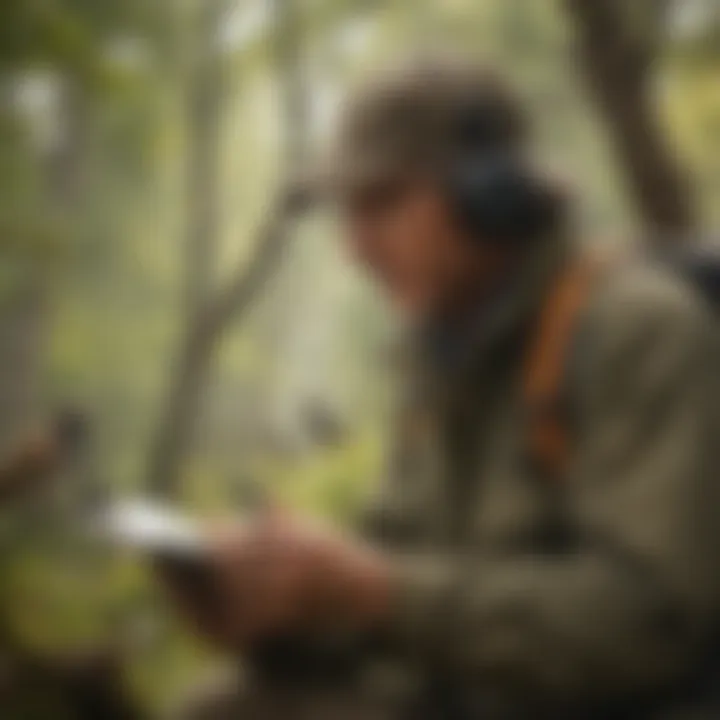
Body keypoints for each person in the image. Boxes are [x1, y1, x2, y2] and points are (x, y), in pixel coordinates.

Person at [160, 52, 720, 719]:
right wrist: (281, 611)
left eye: (383, 204)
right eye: (347, 212)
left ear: (490, 195)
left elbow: (650, 626)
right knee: (225, 708)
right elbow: (393, 590)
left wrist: (382, 593)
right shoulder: (435, 357)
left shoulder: (636, 332)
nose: (355, 247)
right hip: (466, 693)